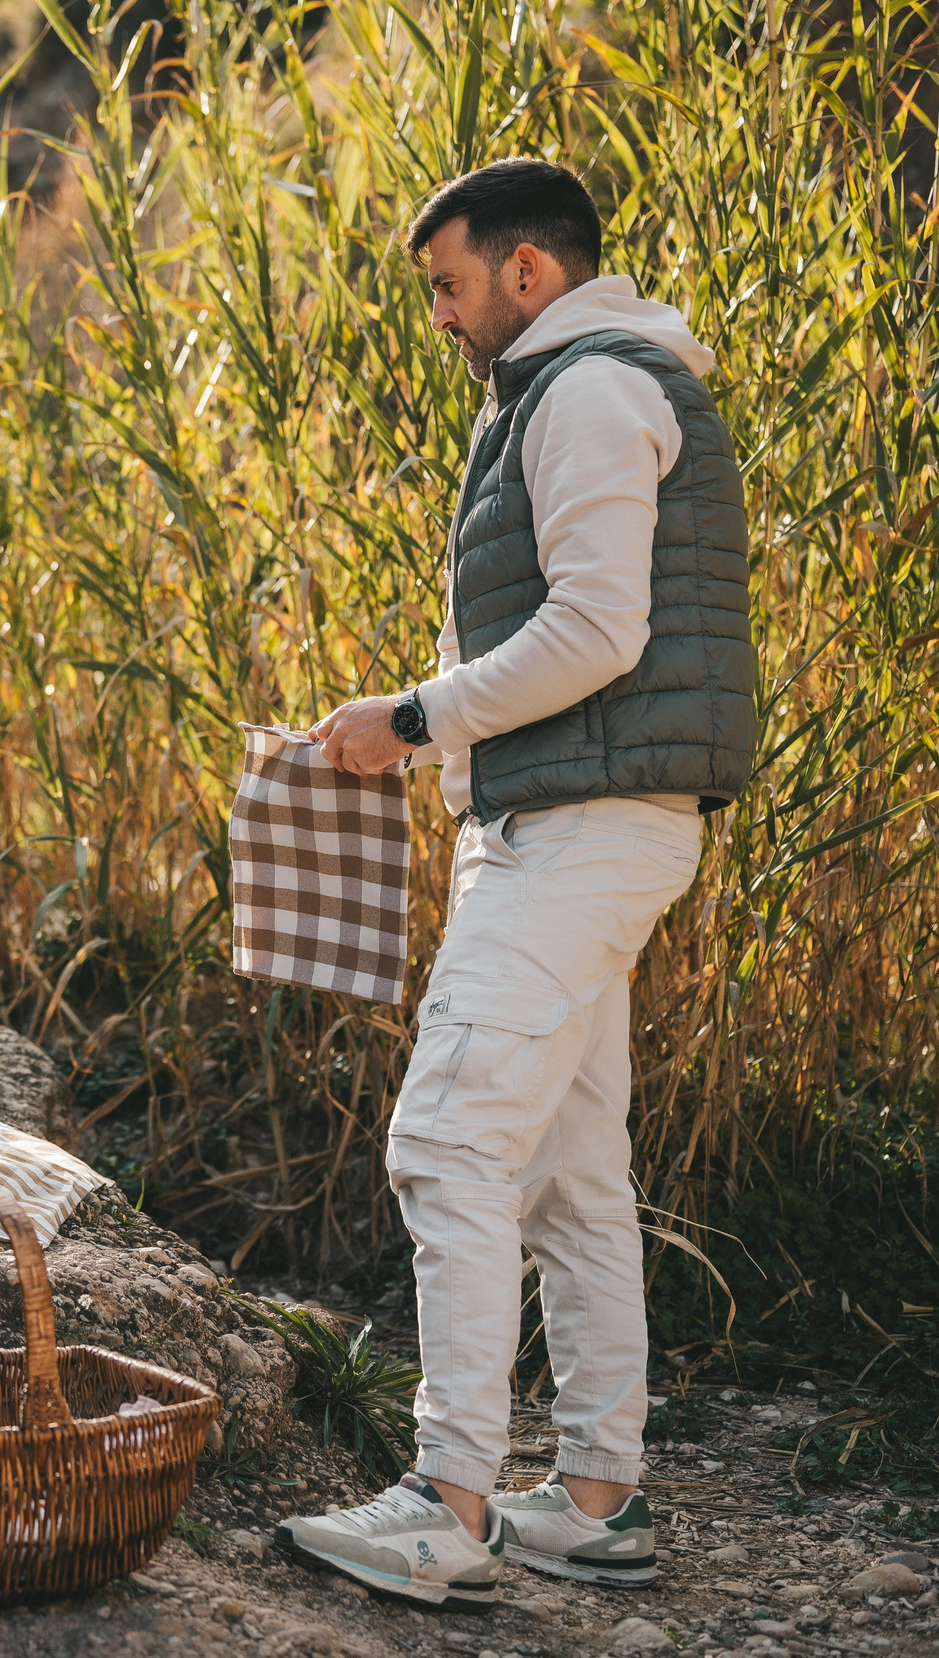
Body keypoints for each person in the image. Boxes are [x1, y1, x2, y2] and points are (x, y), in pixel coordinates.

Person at [277, 158, 757, 1608]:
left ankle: (449, 1496)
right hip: (575, 819)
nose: (441, 315)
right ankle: (595, 1493)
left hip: (584, 829)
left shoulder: (594, 392)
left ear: (529, 271)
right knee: (563, 1170)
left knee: (445, 1139)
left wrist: (411, 717)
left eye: (449, 284)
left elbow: (601, 628)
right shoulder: (559, 393)